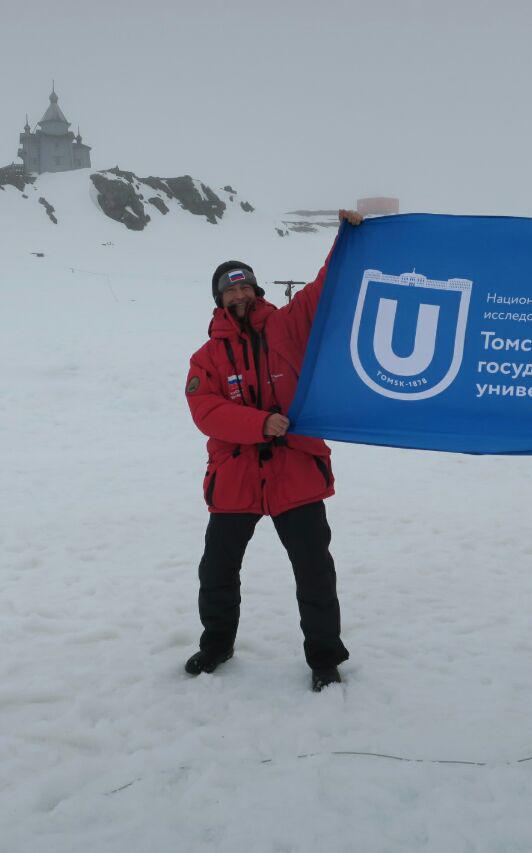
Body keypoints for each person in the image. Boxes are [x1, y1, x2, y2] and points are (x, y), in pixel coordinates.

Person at [183, 210, 363, 692]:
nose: (239, 295)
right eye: (229, 289)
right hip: (236, 478)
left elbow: (328, 285)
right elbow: (206, 410)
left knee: (315, 573)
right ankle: (216, 645)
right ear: (219, 300)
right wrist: (260, 423)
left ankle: (325, 657)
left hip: (296, 473)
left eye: (245, 287)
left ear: (257, 292)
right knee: (217, 571)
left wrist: (348, 235)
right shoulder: (207, 358)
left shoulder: (288, 326)